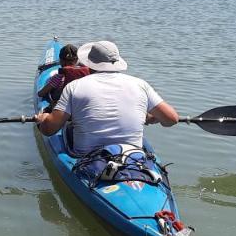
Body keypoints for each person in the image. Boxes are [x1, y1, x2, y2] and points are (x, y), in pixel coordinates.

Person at [35, 40, 178, 154]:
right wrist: (152, 118)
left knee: (68, 129)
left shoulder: (74, 87)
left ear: (88, 63)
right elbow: (171, 119)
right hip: (132, 156)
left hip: (87, 156)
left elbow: (49, 130)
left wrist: (43, 120)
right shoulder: (141, 85)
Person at [37, 43, 92, 108]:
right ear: (77, 60)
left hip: (62, 108)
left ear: (60, 61)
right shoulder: (87, 74)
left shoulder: (58, 77)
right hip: (80, 106)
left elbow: (41, 94)